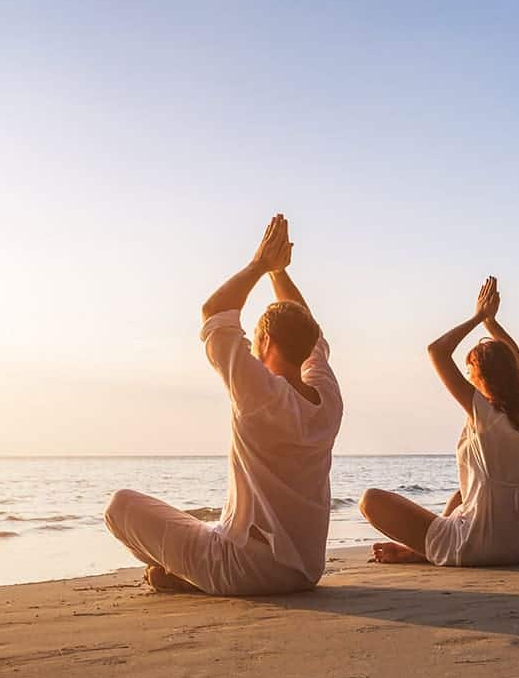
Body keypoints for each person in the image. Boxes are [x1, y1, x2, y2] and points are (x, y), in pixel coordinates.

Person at [104, 214, 343, 594]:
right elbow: (309, 331)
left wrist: (261, 265)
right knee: (204, 528)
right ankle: (188, 572)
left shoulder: (259, 393)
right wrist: (279, 274)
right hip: (305, 570)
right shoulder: (327, 398)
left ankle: (192, 577)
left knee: (119, 506)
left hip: (243, 568)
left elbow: (215, 314)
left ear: (264, 344)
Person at [359, 276, 519, 565]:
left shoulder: (486, 414)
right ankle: (420, 551)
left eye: (471, 371)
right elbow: (514, 356)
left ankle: (425, 551)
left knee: (370, 501)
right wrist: (491, 324)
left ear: (484, 377)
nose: (468, 378)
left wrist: (478, 316)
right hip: (518, 541)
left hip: (481, 542)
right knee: (459, 498)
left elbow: (437, 351)